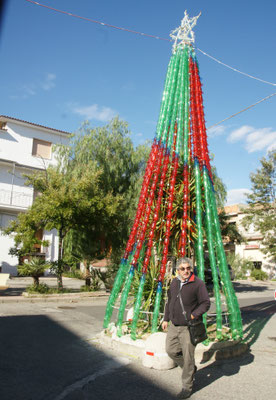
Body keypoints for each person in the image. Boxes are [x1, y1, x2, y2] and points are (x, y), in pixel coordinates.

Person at [162, 257, 210, 399]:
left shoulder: (198, 283)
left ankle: (187, 387)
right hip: (173, 325)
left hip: (188, 327)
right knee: (170, 350)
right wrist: (166, 318)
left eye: (188, 268)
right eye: (182, 269)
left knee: (188, 357)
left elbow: (205, 303)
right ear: (178, 270)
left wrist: (194, 315)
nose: (186, 271)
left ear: (191, 268)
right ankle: (191, 369)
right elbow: (169, 301)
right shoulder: (175, 282)